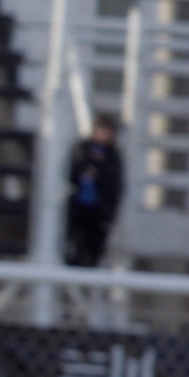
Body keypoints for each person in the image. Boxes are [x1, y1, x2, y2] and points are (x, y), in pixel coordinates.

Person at [64, 113, 123, 268]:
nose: (104, 135)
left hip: (99, 213)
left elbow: (114, 185)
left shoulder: (113, 157)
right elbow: (72, 172)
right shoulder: (82, 149)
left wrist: (98, 174)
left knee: (93, 252)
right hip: (78, 210)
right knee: (73, 248)